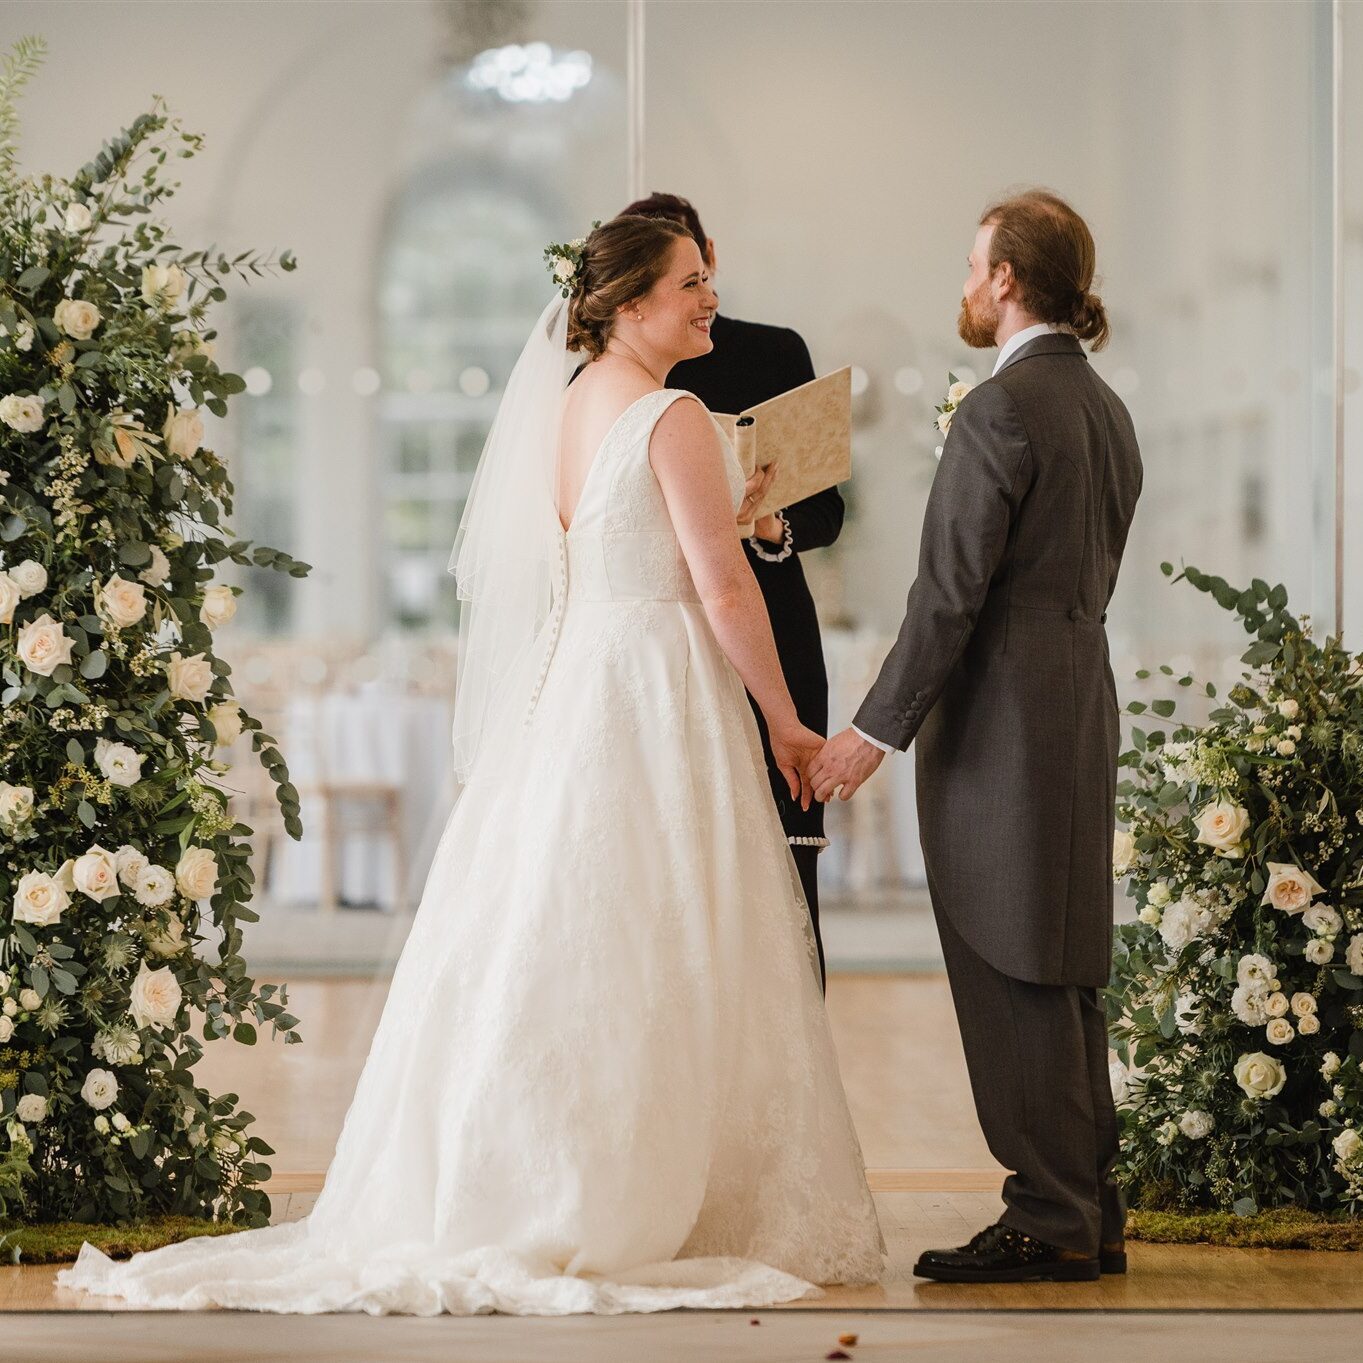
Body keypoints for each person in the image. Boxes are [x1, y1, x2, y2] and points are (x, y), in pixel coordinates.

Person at [58, 214, 883, 1315]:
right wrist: (784, 720)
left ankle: (523, 1169)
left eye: (707, 281)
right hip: (654, 681)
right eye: (689, 285)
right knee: (666, 925)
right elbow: (725, 589)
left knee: (568, 924)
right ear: (630, 302)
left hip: (578, 677)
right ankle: (646, 1187)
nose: (708, 302)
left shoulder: (569, 406)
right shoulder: (674, 415)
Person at [811, 190, 1142, 1284]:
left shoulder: (1000, 411)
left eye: (972, 264)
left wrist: (870, 731)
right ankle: (1088, 1206)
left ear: (1006, 281)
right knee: (1062, 964)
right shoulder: (1102, 408)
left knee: (1009, 960)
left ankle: (1045, 1212)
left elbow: (948, 595)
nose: (963, 282)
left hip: (1000, 723)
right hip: (1076, 705)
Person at [617, 193, 843, 986]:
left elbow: (826, 511)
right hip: (662, 647)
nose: (702, 290)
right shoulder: (609, 379)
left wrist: (766, 527)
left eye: (699, 267)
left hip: (772, 625)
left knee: (784, 861)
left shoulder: (776, 352)